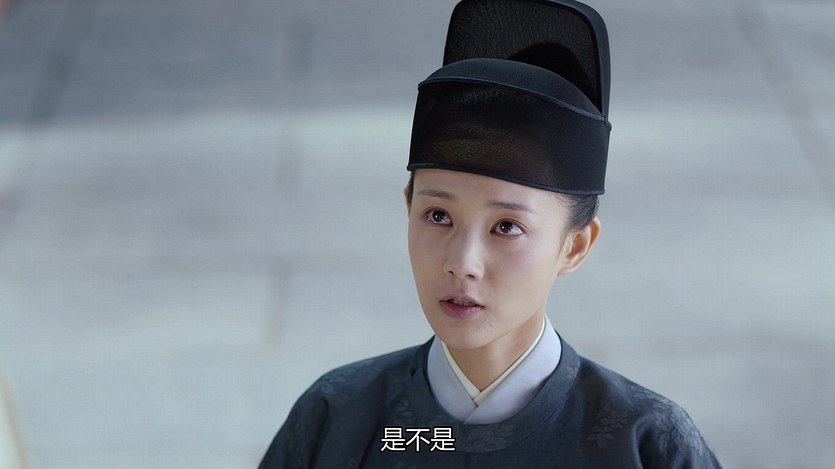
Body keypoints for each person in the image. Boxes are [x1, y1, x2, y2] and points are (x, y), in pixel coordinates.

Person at [259, 0, 722, 467]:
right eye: (438, 215)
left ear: (575, 245)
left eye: (507, 226)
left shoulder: (645, 443)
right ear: (408, 207)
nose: (463, 263)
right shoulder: (337, 417)